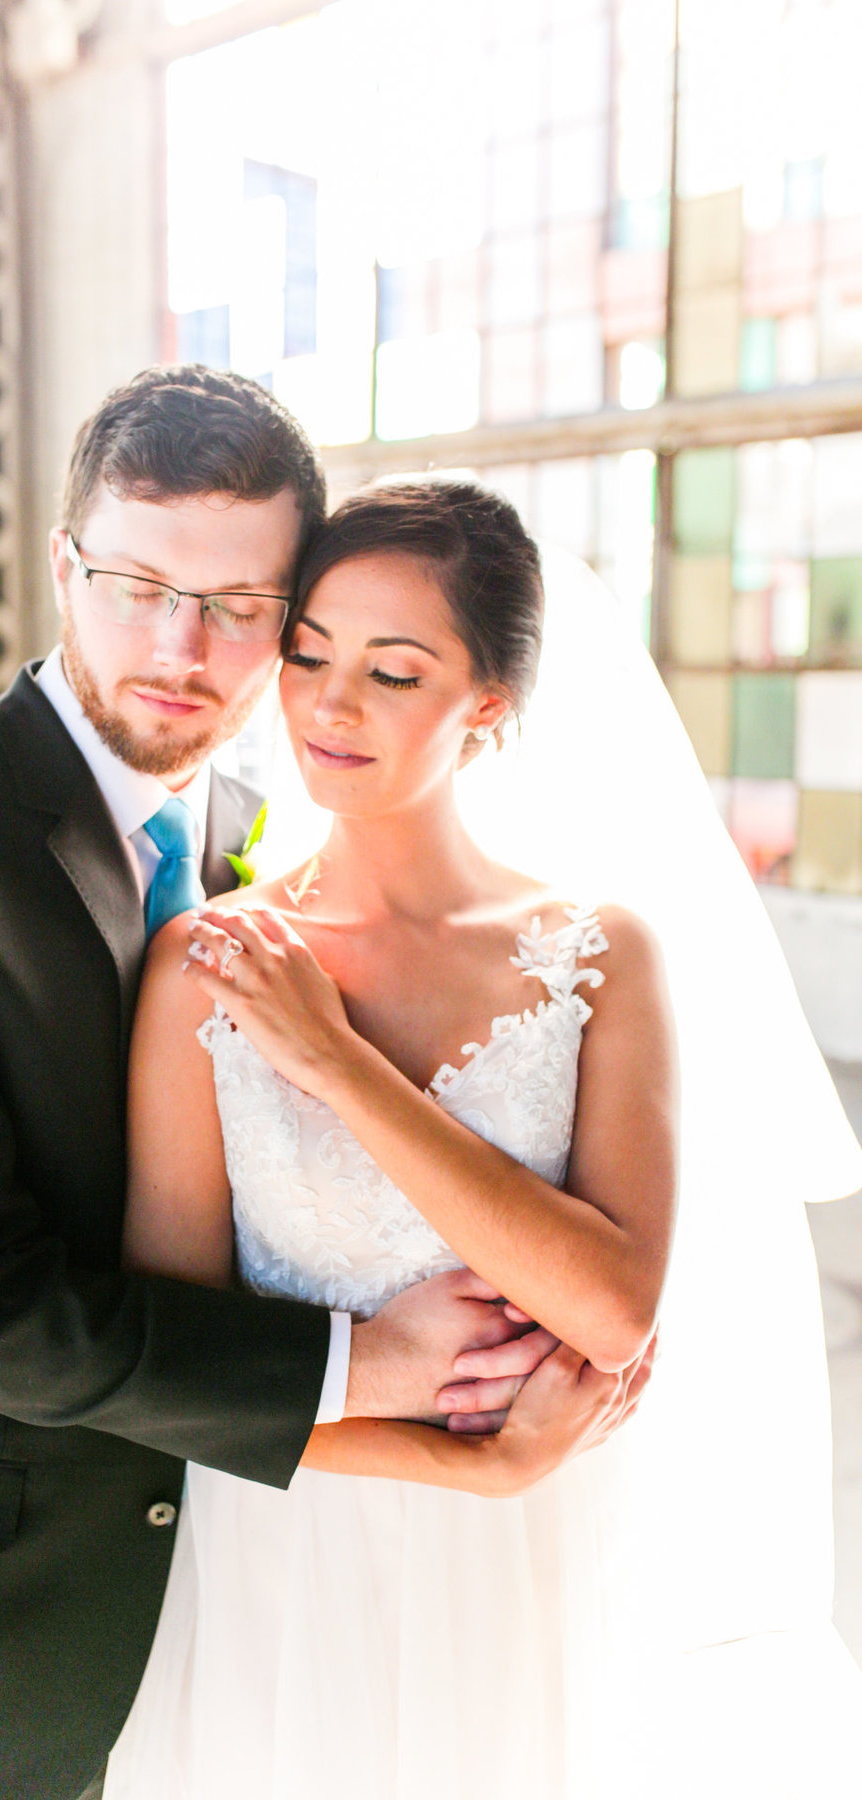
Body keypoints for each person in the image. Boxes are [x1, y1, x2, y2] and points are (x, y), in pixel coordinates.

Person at [0, 371, 634, 1800]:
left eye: (237, 607)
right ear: (64, 567)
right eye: (135, 585)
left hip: (228, 1606)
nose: (177, 647)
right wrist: (381, 1376)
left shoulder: (243, 833)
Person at [108, 477, 862, 1800]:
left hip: (537, 1568)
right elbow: (170, 1362)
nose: (333, 704)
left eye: (394, 673)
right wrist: (468, 1464)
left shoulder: (598, 954)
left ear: (490, 709)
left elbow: (613, 1306)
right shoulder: (205, 970)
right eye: (310, 656)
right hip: (289, 1557)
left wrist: (335, 1061)